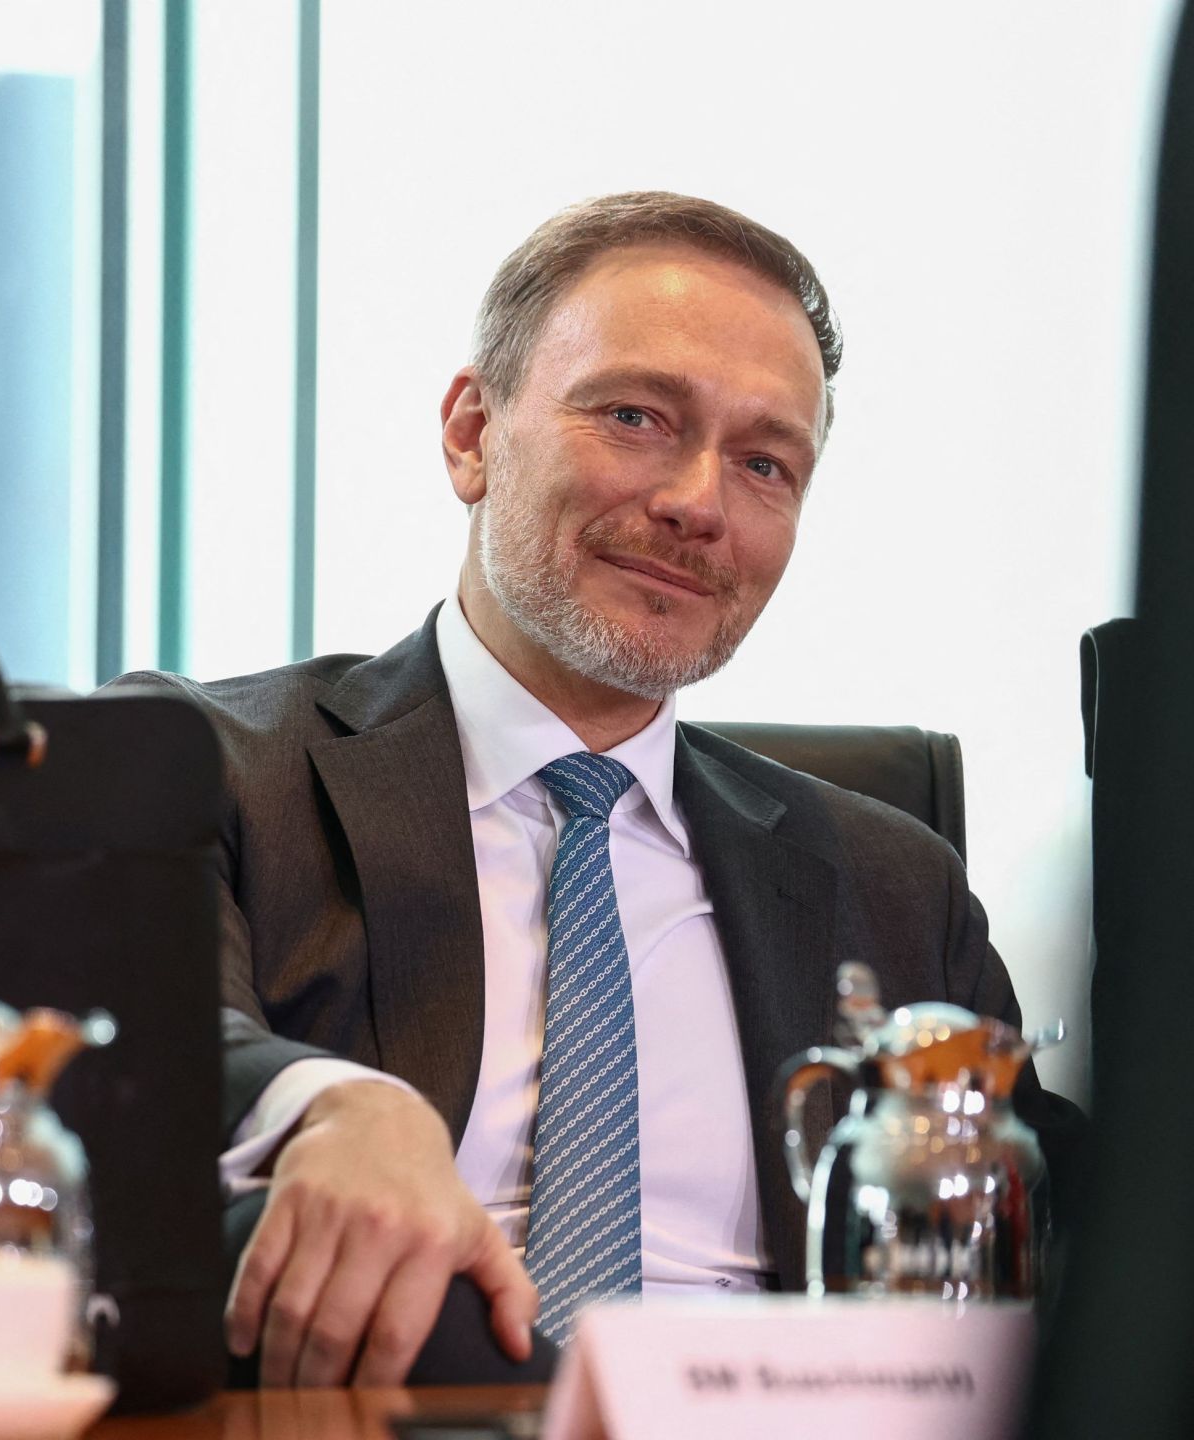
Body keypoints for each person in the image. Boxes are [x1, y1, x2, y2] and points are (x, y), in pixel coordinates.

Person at [119, 192, 1079, 1388]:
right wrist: (326, 1104)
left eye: (765, 463)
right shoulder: (206, 764)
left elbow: (1079, 1234)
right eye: (636, 417)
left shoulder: (894, 886)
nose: (698, 504)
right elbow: (127, 1027)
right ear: (473, 433)